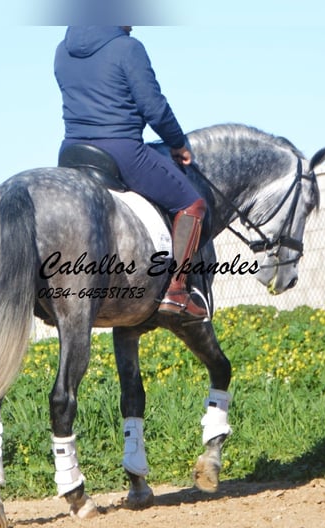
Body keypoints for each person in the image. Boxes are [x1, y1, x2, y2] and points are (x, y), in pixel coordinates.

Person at [54, 25, 208, 319]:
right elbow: (154, 108)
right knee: (192, 204)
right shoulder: (128, 48)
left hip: (71, 153)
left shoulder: (62, 51)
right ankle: (176, 291)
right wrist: (177, 143)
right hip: (121, 150)